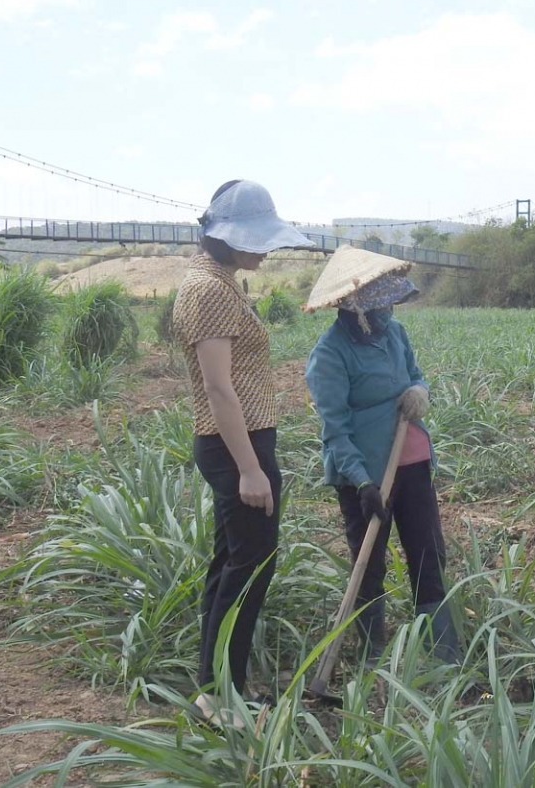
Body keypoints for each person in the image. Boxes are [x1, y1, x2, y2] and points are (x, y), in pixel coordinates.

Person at [171, 179, 311, 722]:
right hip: (237, 447)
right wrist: (251, 470)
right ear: (224, 237)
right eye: (255, 238)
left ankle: (216, 685)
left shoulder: (218, 280)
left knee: (232, 563)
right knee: (251, 567)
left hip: (240, 442)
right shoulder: (207, 289)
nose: (264, 248)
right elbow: (217, 388)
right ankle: (220, 695)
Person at [304, 245, 458, 664]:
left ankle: (444, 654)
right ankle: (372, 656)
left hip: (411, 460)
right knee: (368, 568)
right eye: (381, 304)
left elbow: (414, 374)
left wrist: (419, 390)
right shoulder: (329, 355)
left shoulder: (395, 334)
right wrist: (362, 482)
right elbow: (335, 428)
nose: (389, 310)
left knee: (428, 554)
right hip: (365, 474)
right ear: (356, 307)